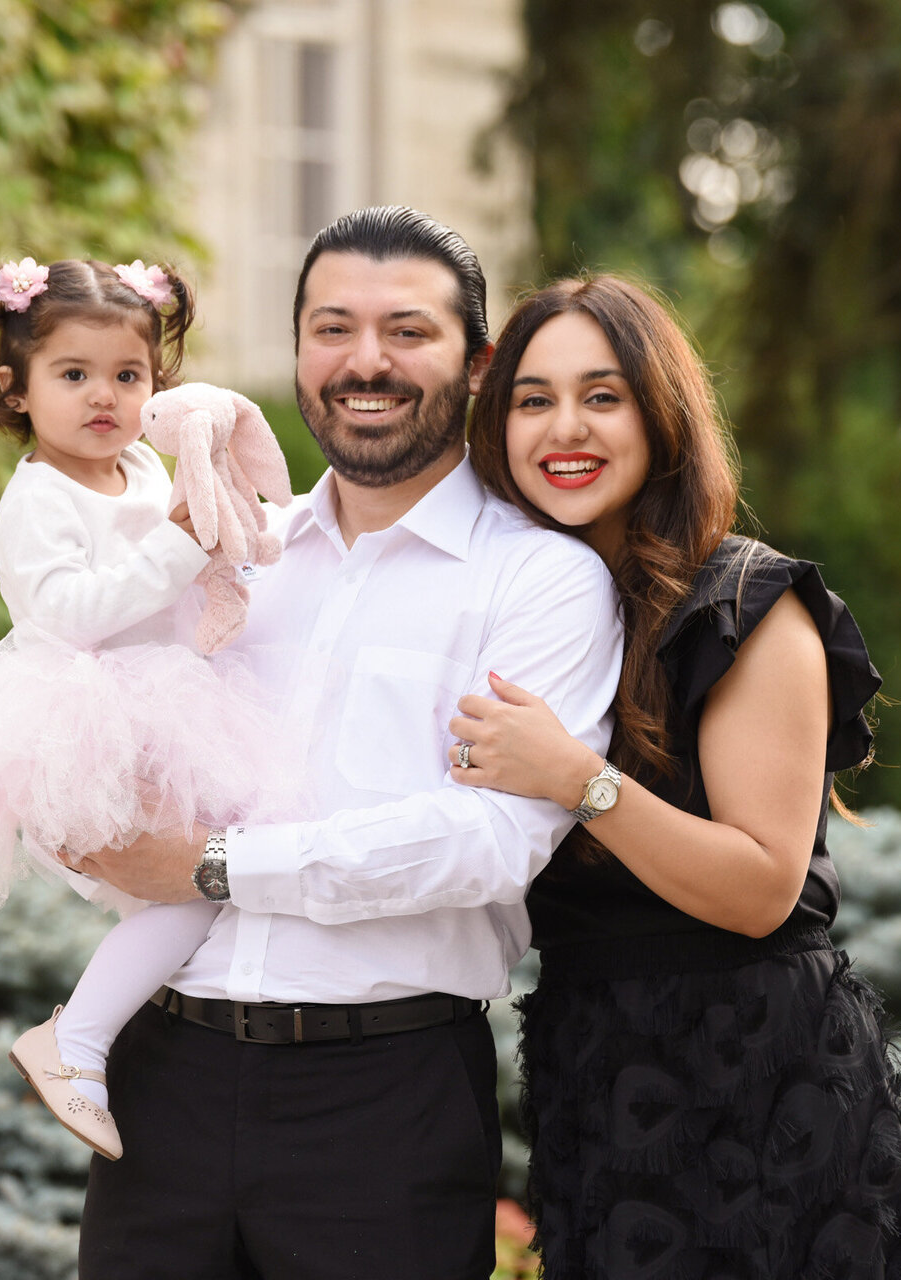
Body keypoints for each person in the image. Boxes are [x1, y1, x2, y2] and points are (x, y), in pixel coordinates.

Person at [66, 207, 626, 1279]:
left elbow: (488, 841)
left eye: (406, 331)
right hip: (163, 1078)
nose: (365, 361)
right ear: (296, 353)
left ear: (477, 362)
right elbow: (106, 758)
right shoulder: (217, 553)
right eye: (332, 328)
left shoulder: (538, 580)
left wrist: (215, 866)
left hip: (383, 1100)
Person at [459, 275, 901, 1279]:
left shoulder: (745, 604)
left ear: (661, 414)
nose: (568, 427)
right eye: (532, 398)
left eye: (603, 395)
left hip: (757, 1085)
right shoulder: (513, 616)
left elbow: (763, 886)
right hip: (594, 1069)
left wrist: (578, 777)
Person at [0, 256, 302, 1162]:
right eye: (74, 375)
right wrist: (179, 544)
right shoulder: (37, 498)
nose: (105, 396)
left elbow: (206, 547)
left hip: (178, 702)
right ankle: (76, 1042)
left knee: (191, 895)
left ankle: (140, 1066)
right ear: (16, 391)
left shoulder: (141, 464)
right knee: (182, 890)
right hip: (91, 713)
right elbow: (67, 616)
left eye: (128, 376)